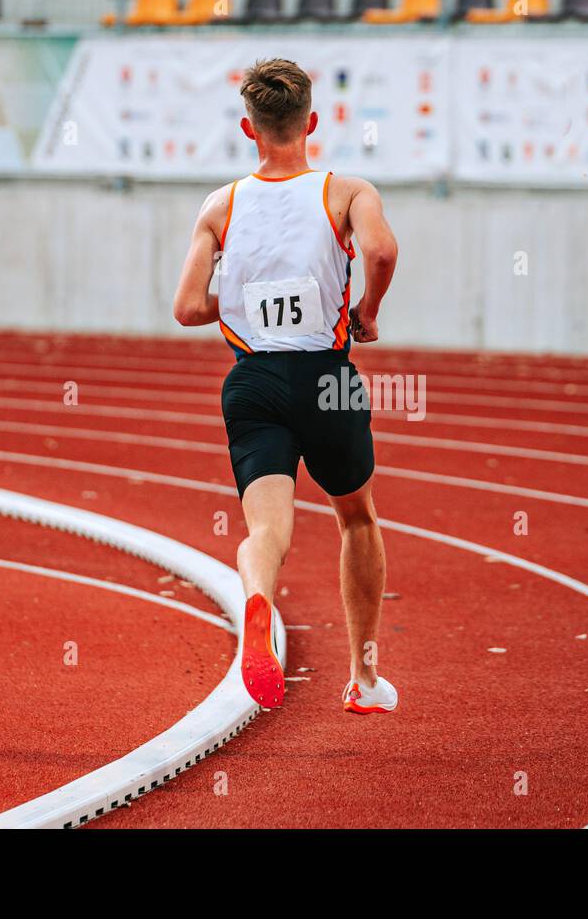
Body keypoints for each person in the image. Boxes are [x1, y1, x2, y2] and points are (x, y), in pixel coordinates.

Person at [172, 58, 400, 715]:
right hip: (328, 380)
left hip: (253, 382)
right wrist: (368, 309)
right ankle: (363, 676)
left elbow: (187, 306)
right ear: (313, 124)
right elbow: (382, 252)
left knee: (267, 529)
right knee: (356, 516)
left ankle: (258, 600)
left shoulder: (222, 205)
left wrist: (238, 299)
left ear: (250, 128)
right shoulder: (347, 192)